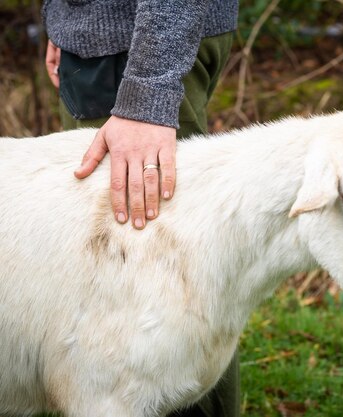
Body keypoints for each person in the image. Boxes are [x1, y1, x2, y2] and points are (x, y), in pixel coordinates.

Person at [42, 1, 240, 416]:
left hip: (140, 42)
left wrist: (148, 89)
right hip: (106, 36)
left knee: (159, 274)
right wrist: (62, 18)